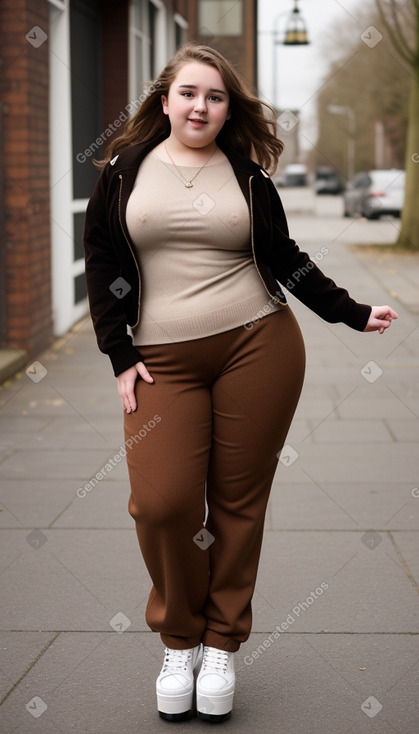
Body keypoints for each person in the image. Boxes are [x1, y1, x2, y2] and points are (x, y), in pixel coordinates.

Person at [83, 43, 398, 723]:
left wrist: (348, 311)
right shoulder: (122, 171)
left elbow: (283, 257)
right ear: (164, 99)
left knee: (236, 502)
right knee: (161, 504)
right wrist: (117, 354)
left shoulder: (248, 176)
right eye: (190, 93)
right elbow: (102, 259)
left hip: (258, 346)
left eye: (216, 96)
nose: (201, 106)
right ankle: (179, 635)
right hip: (160, 358)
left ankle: (220, 642)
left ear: (229, 109)